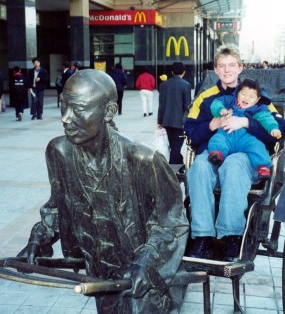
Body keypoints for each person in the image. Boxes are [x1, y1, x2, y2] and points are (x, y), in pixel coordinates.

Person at [17, 69, 189, 313]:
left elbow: (171, 224)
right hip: (100, 272)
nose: (65, 118)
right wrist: (39, 238)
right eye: (63, 106)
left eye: (78, 109)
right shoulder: (59, 152)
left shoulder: (143, 160)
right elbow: (58, 206)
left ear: (108, 112)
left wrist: (146, 262)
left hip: (142, 278)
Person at [184, 44, 284, 262]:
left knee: (234, 164)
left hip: (245, 156)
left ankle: (231, 234)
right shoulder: (206, 97)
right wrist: (213, 124)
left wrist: (246, 122)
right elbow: (190, 130)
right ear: (216, 70)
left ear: (240, 67)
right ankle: (202, 237)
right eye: (222, 66)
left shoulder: (256, 96)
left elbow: (279, 128)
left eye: (231, 65)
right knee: (199, 167)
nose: (227, 70)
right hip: (214, 151)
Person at [208, 78, 281, 180]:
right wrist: (221, 110)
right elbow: (216, 103)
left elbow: (267, 118)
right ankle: (217, 155)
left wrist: (273, 128)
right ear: (237, 93)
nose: (246, 98)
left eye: (251, 97)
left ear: (257, 99)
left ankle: (263, 166)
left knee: (257, 146)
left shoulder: (259, 108)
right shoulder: (229, 101)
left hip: (245, 137)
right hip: (226, 134)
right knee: (217, 139)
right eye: (243, 94)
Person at [157, 62, 191, 164]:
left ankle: (179, 166)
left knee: (174, 147)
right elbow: (187, 106)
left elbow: (161, 104)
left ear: (172, 72)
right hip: (179, 122)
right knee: (175, 149)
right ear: (184, 72)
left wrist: (159, 121)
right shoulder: (186, 85)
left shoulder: (163, 85)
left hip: (166, 121)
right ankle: (172, 171)